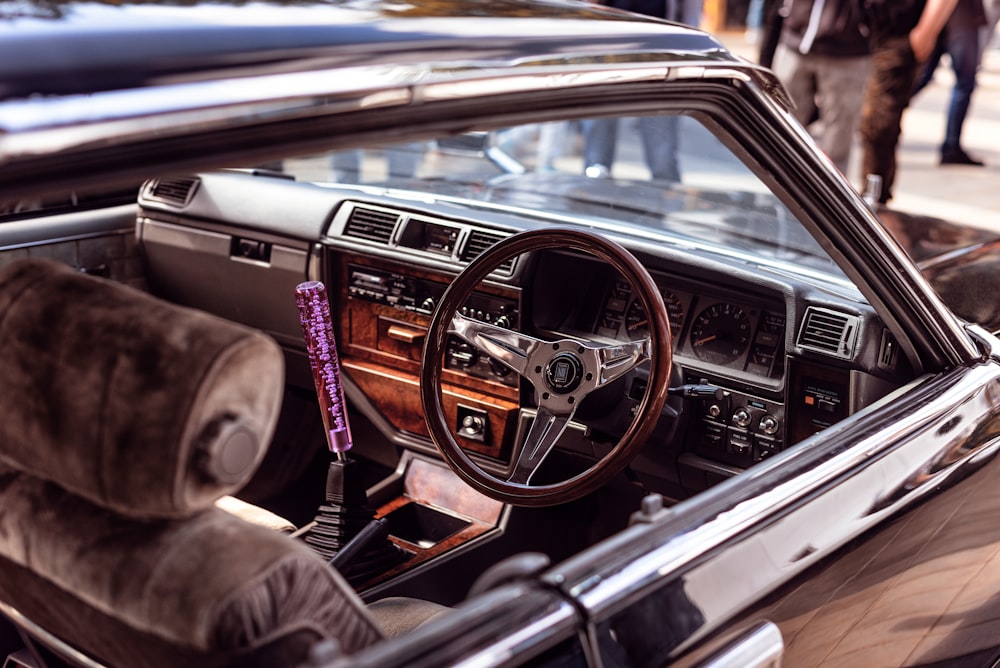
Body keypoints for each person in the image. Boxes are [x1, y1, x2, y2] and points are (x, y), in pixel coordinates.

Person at [582, 0, 703, 181]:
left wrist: (687, 52)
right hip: (609, 54)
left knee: (662, 153)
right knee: (597, 152)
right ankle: (592, 190)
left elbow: (690, 14)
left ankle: (665, 193)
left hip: (661, 58)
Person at [858, 0, 960, 206]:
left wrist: (926, 31)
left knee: (878, 122)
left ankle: (875, 199)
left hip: (899, 32)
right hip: (862, 30)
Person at [771, 0, 872, 176]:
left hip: (847, 47)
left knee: (839, 131)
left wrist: (864, 18)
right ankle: (775, 183)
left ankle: (831, 195)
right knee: (781, 122)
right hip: (795, 36)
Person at [911, 0, 988, 165]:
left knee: (921, 77)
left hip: (937, 13)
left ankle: (952, 145)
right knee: (964, 82)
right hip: (959, 15)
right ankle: (952, 146)